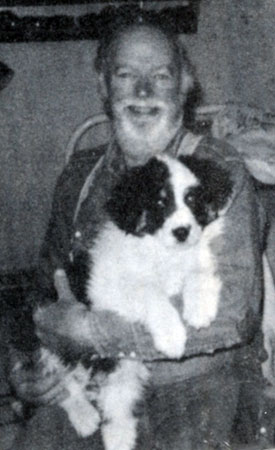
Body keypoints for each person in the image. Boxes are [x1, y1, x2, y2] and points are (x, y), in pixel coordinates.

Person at [3, 19, 267, 450]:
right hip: (95, 382)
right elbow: (45, 290)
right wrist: (25, 370)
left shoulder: (218, 169)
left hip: (199, 386)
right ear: (104, 87)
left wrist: (90, 331)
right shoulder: (78, 176)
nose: (143, 92)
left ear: (184, 86)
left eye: (160, 77)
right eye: (127, 76)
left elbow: (232, 316)